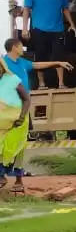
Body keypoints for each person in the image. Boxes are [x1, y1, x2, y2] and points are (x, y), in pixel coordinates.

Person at [20, 0, 76, 71]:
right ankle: (42, 84)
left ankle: (61, 84)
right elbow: (26, 9)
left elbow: (65, 8)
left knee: (59, 56)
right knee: (40, 56)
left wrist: (72, 24)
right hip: (39, 29)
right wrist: (24, 28)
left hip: (57, 30)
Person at [1, 39, 34, 191]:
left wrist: (21, 118)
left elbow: (27, 99)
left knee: (19, 148)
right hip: (3, 123)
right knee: (2, 148)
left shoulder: (13, 79)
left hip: (19, 119)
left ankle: (19, 181)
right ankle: (1, 176)